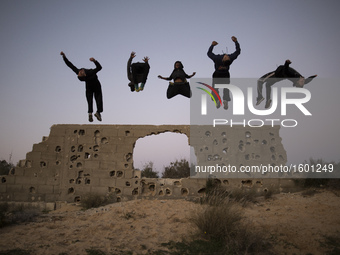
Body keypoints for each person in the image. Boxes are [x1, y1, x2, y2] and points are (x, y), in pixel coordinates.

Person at [60, 52, 103, 122]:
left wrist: (64, 57)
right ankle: (91, 113)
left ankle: (97, 112)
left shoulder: (77, 71)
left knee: (98, 99)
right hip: (92, 86)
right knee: (91, 99)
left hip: (94, 85)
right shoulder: (90, 72)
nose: (80, 71)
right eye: (80, 73)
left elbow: (70, 65)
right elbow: (99, 68)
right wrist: (95, 61)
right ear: (84, 74)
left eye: (79, 72)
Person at [207, 36, 241, 109]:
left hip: (222, 74)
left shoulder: (217, 58)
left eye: (227, 57)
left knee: (226, 87)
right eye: (227, 57)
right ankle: (217, 99)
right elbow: (238, 52)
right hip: (221, 74)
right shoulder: (230, 58)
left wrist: (212, 45)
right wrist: (236, 42)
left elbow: (209, 53)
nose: (226, 56)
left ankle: (225, 100)